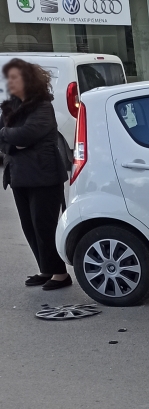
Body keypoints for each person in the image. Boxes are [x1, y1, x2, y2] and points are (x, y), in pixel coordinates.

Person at [0, 58, 71, 290]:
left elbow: (27, 134)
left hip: (43, 175)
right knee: (29, 226)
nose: (10, 82)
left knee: (45, 226)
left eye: (15, 78)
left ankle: (60, 273)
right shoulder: (10, 107)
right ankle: (45, 269)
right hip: (18, 175)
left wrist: (9, 135)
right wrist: (12, 140)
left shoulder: (42, 106)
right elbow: (8, 138)